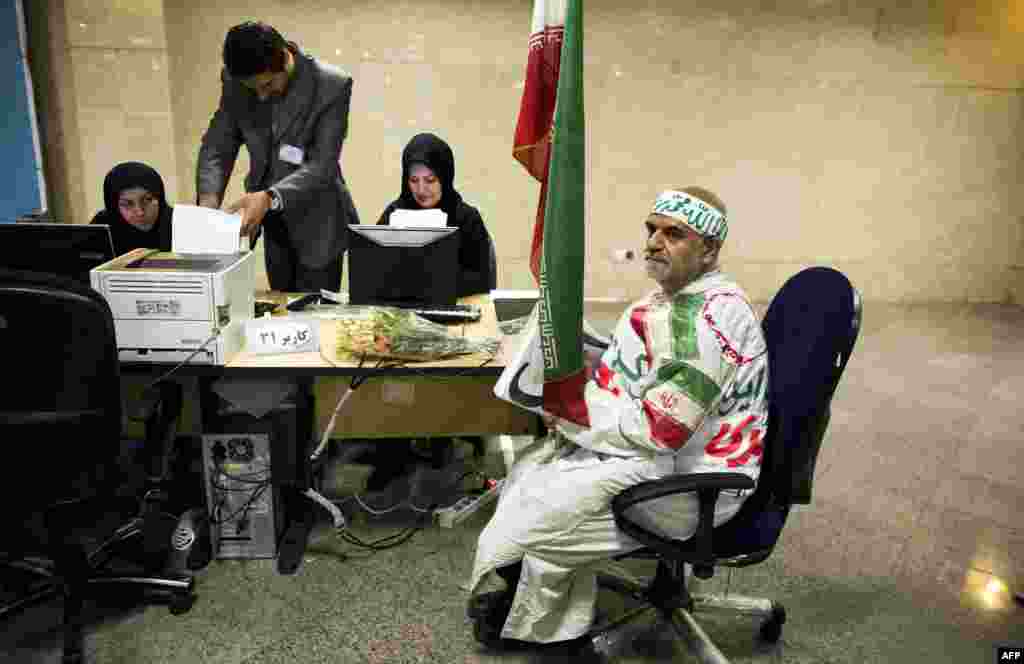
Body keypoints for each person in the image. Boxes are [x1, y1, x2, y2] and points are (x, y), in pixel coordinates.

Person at [466, 187, 769, 655]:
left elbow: (663, 430)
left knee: (541, 521)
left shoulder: (711, 320)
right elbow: (645, 369)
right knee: (527, 473)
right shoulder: (670, 300)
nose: (653, 243)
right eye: (652, 230)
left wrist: (572, 413)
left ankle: (555, 635)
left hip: (692, 479)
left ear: (709, 250)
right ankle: (535, 608)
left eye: (674, 234)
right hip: (659, 455)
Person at [196, 21, 359, 292]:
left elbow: (323, 165)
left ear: (284, 57)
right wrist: (208, 201)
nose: (260, 96)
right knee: (281, 305)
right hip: (274, 226)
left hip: (319, 224)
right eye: (253, 88)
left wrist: (270, 197)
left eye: (268, 84)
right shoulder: (236, 83)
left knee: (314, 311)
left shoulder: (330, 85)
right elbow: (218, 144)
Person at [377, 133, 495, 297]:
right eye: (414, 180)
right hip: (403, 306)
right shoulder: (394, 213)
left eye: (430, 180)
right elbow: (373, 269)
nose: (421, 190)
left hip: (454, 304)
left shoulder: (467, 219)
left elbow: (480, 279)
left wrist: (429, 282)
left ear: (445, 178)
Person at [90, 162, 173, 256]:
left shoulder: (180, 224)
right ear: (114, 207)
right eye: (127, 204)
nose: (140, 212)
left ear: (160, 198)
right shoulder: (103, 226)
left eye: (147, 200)